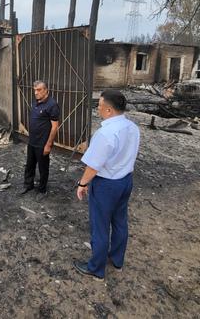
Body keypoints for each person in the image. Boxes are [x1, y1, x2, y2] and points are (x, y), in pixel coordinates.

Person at [73, 89, 140, 280]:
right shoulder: (132, 127)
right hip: (125, 181)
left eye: (100, 105)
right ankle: (117, 260)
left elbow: (93, 165)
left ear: (109, 110)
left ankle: (96, 268)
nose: (98, 108)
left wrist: (82, 183)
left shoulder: (105, 133)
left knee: (100, 226)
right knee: (119, 222)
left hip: (106, 185)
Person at [20, 80, 60, 195]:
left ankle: (42, 189)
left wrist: (48, 145)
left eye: (39, 90)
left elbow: (54, 127)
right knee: (30, 164)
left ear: (46, 90)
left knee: (43, 167)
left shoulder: (52, 105)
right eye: (35, 90)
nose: (36, 93)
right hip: (32, 141)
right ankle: (28, 185)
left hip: (43, 143)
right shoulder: (35, 102)